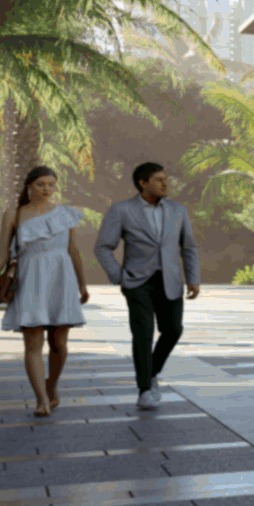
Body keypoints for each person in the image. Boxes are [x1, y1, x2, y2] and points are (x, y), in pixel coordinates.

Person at [0, 167, 95, 419]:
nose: (47, 189)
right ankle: (41, 399)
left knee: (59, 343)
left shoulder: (64, 213)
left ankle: (52, 384)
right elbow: (2, 252)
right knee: (33, 342)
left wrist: (82, 284)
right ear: (28, 187)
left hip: (62, 276)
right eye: (40, 184)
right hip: (30, 277)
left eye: (51, 184)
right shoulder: (14, 214)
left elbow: (73, 250)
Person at [96, 161, 201, 409]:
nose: (166, 184)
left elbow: (189, 247)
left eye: (166, 179)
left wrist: (193, 277)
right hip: (137, 281)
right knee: (143, 334)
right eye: (159, 180)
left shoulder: (178, 210)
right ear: (143, 183)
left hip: (171, 280)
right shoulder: (121, 210)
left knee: (173, 330)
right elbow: (103, 247)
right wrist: (118, 276)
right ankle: (145, 389)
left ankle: (151, 372)